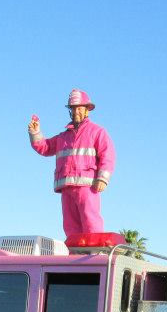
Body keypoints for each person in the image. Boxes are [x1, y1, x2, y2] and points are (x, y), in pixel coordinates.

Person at [28, 89, 116, 237]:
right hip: (66, 187)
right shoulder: (63, 137)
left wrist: (103, 179)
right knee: (70, 227)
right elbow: (45, 147)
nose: (76, 112)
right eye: (73, 108)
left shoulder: (97, 132)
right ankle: (74, 250)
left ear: (87, 110)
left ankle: (95, 249)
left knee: (91, 222)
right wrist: (35, 133)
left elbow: (108, 155)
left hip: (87, 187)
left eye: (79, 108)